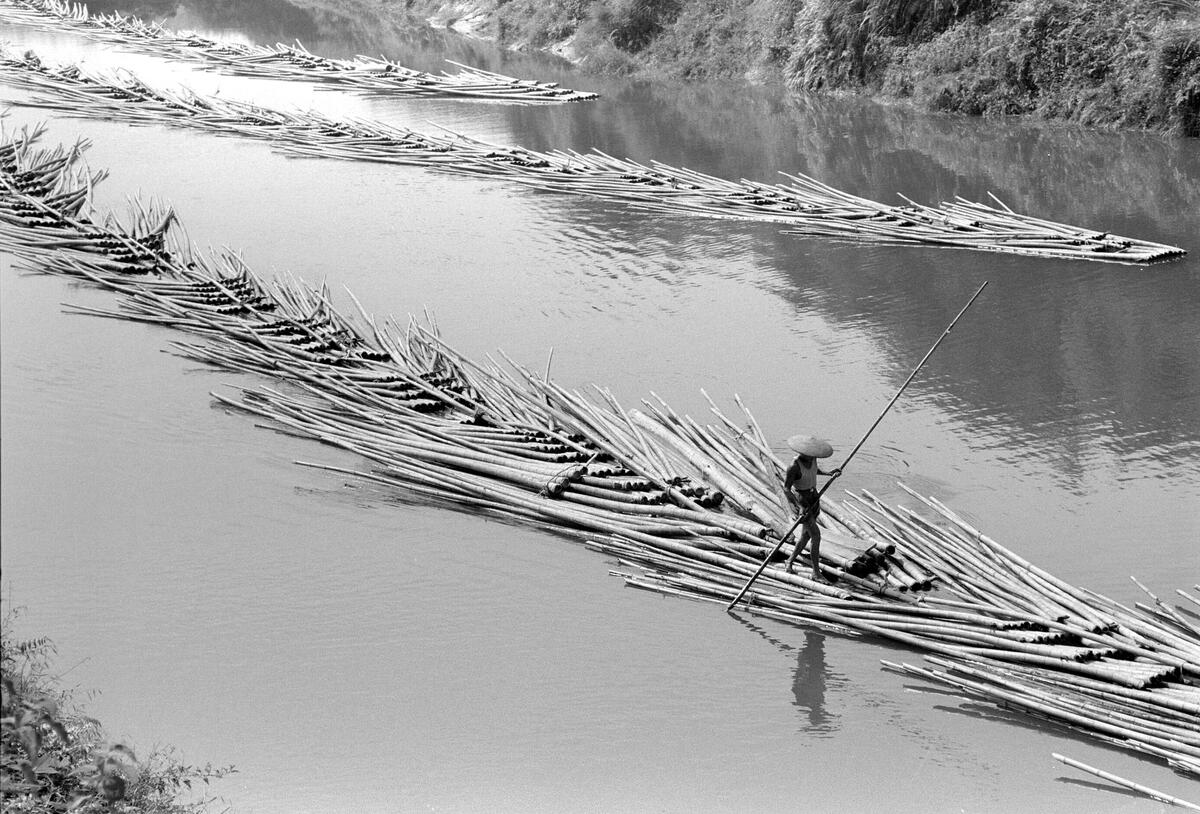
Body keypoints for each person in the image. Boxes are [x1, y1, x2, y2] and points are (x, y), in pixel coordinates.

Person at [782, 434, 842, 582]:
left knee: (806, 536)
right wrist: (798, 506)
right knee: (816, 535)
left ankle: (789, 561)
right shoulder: (794, 466)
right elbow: (786, 489)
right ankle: (816, 572)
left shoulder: (812, 459)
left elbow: (815, 471)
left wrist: (829, 474)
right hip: (802, 502)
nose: (813, 457)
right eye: (810, 455)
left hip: (813, 498)